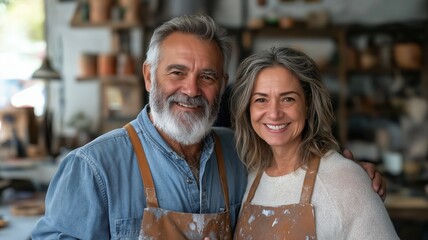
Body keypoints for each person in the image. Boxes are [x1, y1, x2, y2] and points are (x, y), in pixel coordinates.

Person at [31, 15, 385, 239]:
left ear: (224, 84)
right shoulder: (93, 167)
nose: (191, 89)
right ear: (149, 75)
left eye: (207, 76)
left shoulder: (241, 154)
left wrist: (349, 174)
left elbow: (295, 169)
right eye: (177, 73)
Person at [230, 47, 399, 239]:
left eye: (288, 99)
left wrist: (356, 177)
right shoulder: (249, 177)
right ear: (247, 108)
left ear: (308, 103)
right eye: (261, 100)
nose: (274, 113)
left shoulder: (345, 180)